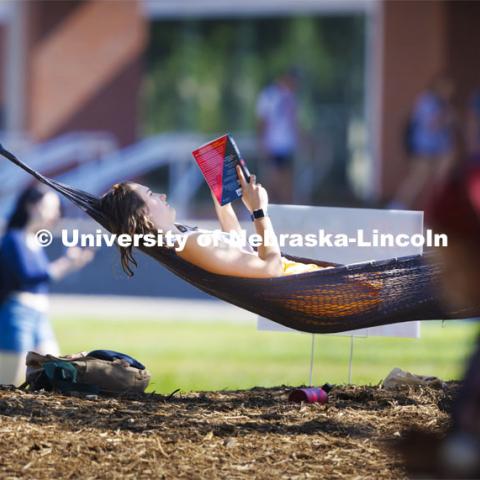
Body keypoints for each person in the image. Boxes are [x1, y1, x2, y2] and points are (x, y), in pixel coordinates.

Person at [99, 165, 326, 279]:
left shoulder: (185, 242)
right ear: (142, 215)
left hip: (308, 279)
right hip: (305, 282)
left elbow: (239, 248)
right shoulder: (190, 244)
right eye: (151, 194)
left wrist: (221, 200)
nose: (162, 196)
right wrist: (258, 211)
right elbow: (272, 268)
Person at [0, 185, 94, 386]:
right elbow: (29, 276)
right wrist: (67, 262)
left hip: (39, 315)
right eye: (50, 207)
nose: (55, 214)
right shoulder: (14, 238)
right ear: (31, 207)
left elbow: (42, 277)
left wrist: (72, 263)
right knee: (9, 380)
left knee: (54, 371)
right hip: (16, 315)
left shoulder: (33, 240)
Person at [392, 75, 457, 209]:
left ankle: (432, 211)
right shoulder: (426, 101)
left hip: (440, 150)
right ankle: (396, 208)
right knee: (417, 180)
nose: (449, 92)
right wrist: (446, 118)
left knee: (437, 182)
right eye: (447, 88)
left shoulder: (444, 104)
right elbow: (430, 124)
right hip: (423, 149)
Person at [256, 69, 300, 204]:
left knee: (286, 180)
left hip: (286, 145)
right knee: (273, 179)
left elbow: (293, 122)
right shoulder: (269, 95)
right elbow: (263, 121)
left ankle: (284, 210)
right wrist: (263, 143)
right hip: (273, 144)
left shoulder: (291, 98)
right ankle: (267, 208)